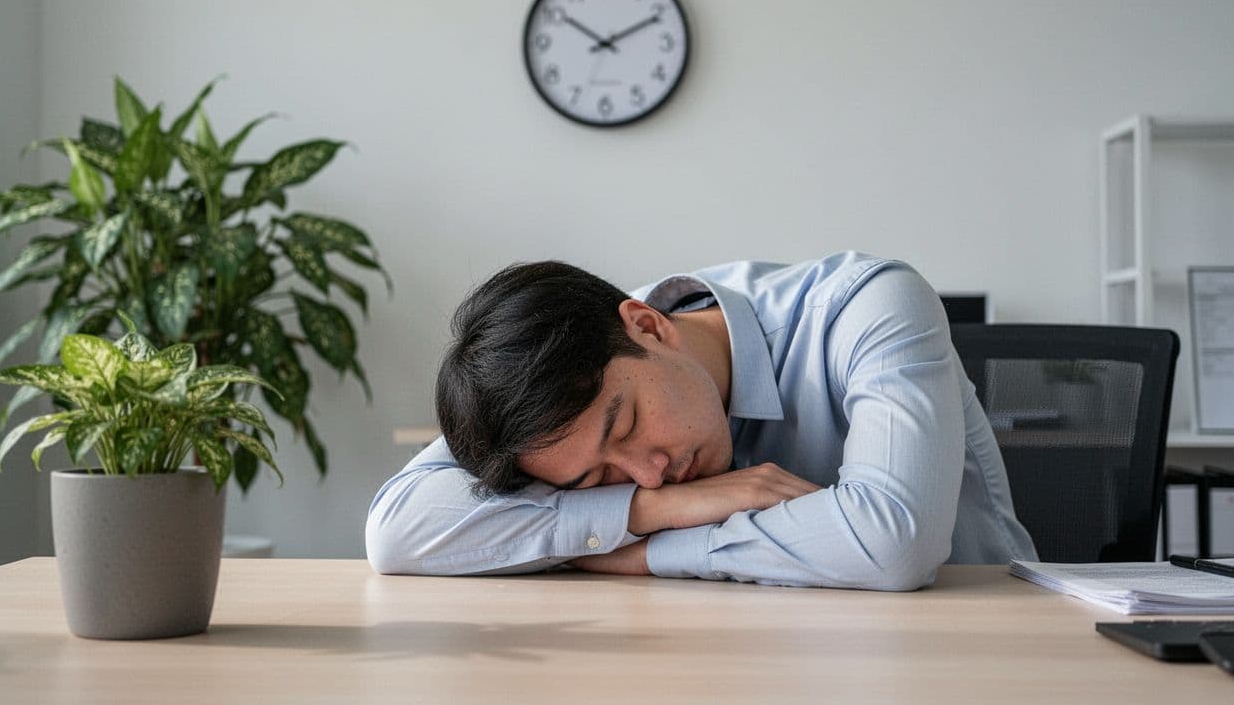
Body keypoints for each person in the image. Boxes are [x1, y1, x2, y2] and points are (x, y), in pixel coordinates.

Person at [366, 252, 1036, 590]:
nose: (649, 475)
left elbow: (895, 544)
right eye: (598, 478)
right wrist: (657, 511)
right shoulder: (555, 392)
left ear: (648, 324)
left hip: (977, 651)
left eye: (624, 427)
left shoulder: (867, 306)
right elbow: (398, 533)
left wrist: (644, 553)